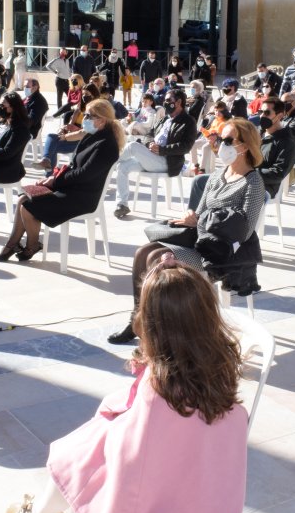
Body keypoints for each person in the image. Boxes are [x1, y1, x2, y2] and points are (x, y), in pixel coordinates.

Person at [6, 258, 247, 513]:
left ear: (152, 324)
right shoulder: (219, 367)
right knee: (91, 442)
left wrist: (108, 419)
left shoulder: (159, 385)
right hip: (207, 483)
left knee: (82, 451)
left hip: (161, 499)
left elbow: (133, 448)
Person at [108, 118, 266, 343]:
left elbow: (245, 230)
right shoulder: (219, 175)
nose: (222, 145)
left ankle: (155, 330)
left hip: (220, 254)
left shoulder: (253, 182)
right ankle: (138, 320)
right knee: (143, 252)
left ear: (246, 145)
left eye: (229, 140)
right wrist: (190, 219)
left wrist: (200, 221)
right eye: (220, 139)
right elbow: (200, 213)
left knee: (157, 258)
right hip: (201, 241)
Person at [0, 99, 124, 263]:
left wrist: (54, 183)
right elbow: (73, 166)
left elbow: (84, 174)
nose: (85, 119)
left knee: (28, 207)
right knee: (23, 199)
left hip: (83, 197)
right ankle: (12, 244)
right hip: (72, 188)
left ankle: (32, 245)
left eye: (89, 116)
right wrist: (53, 178)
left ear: (102, 120)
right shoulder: (92, 136)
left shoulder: (107, 145)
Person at [113, 89, 197, 219]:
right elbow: (148, 135)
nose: (165, 103)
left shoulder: (188, 121)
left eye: (169, 101)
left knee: (133, 147)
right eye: (165, 100)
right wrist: (149, 144)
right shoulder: (164, 120)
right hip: (151, 158)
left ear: (179, 102)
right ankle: (122, 204)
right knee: (122, 167)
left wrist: (163, 149)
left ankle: (108, 163)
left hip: (167, 162)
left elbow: (186, 147)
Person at [257, 97, 295, 198]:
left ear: (280, 116)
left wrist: (250, 174)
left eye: (267, 113)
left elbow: (278, 173)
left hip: (265, 188)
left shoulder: (287, 142)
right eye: (260, 111)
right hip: (244, 179)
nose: (262, 115)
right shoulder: (257, 133)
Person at [190, 100, 231, 175]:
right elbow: (209, 134)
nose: (217, 113)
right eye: (216, 111)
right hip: (209, 140)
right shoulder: (215, 120)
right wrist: (203, 130)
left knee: (205, 147)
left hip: (217, 143)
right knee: (193, 144)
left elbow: (215, 136)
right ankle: (195, 165)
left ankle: (202, 170)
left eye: (220, 111)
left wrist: (204, 131)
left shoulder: (224, 123)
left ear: (224, 112)